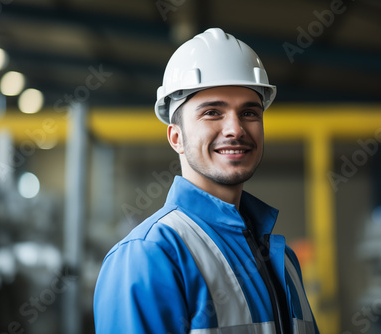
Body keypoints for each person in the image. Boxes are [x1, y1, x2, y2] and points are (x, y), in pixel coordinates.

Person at [94, 27, 319, 334]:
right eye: (213, 112)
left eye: (250, 112)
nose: (235, 129)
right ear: (176, 138)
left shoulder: (285, 262)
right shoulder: (149, 256)